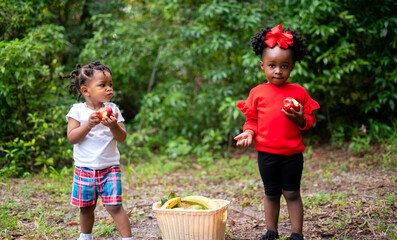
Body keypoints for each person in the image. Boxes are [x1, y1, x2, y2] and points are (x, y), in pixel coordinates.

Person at [234, 24, 320, 240]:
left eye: (284, 66)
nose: (278, 71)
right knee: (271, 193)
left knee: (292, 193)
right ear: (263, 66)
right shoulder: (257, 93)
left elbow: (310, 121)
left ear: (291, 67)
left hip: (292, 155)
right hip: (267, 154)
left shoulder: (298, 92)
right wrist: (249, 133)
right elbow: (252, 120)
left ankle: (296, 234)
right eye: (272, 65)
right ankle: (271, 231)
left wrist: (300, 118)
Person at [63, 61, 133, 240]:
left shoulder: (114, 110)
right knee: (86, 207)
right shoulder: (77, 111)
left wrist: (113, 127)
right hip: (84, 168)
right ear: (86, 90)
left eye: (110, 84)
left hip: (109, 167)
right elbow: (72, 137)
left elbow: (122, 137)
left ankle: (128, 238)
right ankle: (85, 237)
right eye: (102, 85)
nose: (109, 89)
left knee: (115, 206)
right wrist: (88, 125)